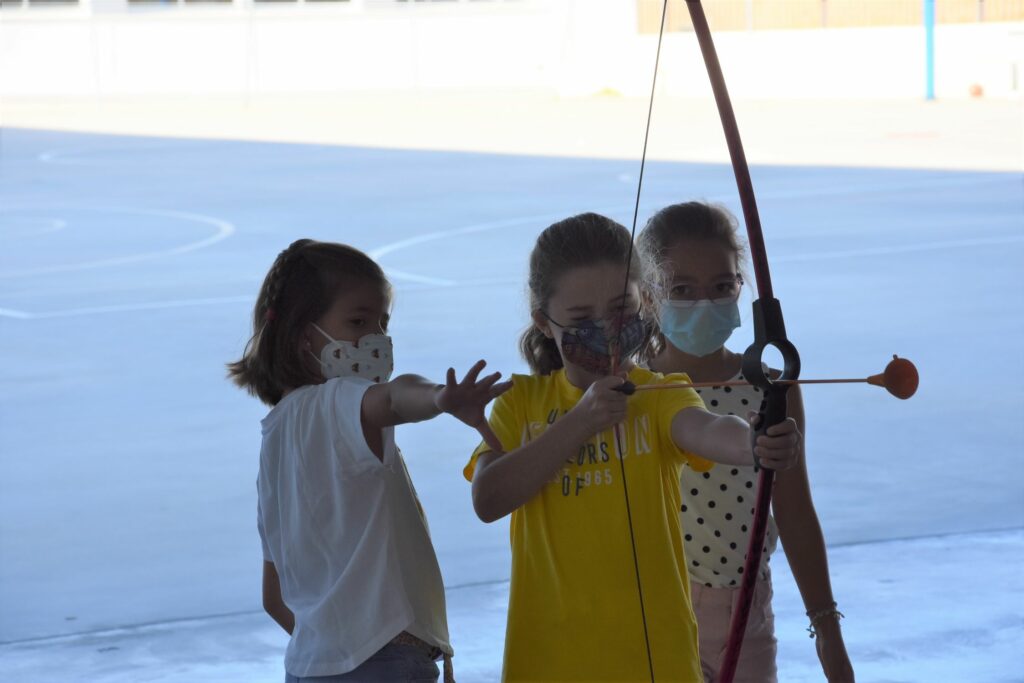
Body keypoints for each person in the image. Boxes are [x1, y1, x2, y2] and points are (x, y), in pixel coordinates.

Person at [463, 213, 801, 682]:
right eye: (582, 319)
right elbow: (488, 498)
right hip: (549, 660)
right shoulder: (519, 404)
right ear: (544, 322)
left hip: (658, 663)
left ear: (645, 300)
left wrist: (755, 440)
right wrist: (580, 422)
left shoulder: (661, 394)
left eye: (621, 310)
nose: (605, 329)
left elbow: (705, 429)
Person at [228, 239, 510, 683]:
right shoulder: (338, 402)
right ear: (304, 335)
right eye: (358, 322)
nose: (375, 338)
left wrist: (333, 650)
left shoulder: (275, 440)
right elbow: (396, 396)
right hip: (384, 662)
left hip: (310, 666)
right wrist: (440, 398)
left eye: (383, 322)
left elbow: (274, 595)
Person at [638, 202, 855, 683]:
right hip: (653, 610)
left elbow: (794, 509)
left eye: (721, 287)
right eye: (681, 290)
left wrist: (827, 629)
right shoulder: (632, 392)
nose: (705, 302)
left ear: (741, 288)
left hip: (748, 611)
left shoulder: (772, 389)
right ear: (649, 298)